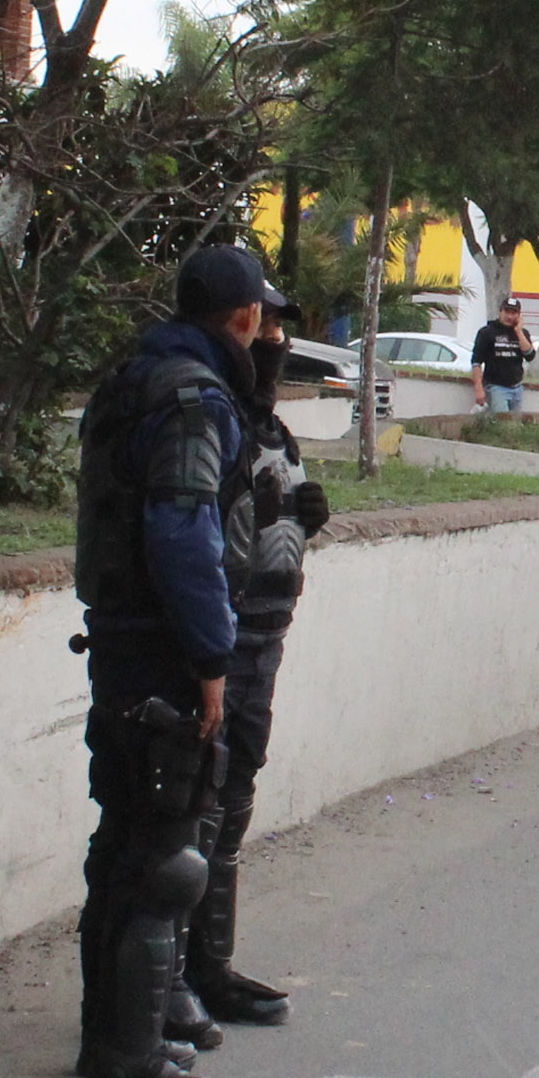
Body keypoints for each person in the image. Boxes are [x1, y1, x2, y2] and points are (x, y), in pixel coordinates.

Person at [71, 246, 272, 1078]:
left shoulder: (135, 378)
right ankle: (128, 1053)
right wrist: (209, 657)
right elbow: (183, 531)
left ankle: (113, 1038)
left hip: (120, 635)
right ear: (242, 318)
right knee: (162, 855)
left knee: (124, 847)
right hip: (161, 645)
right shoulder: (195, 399)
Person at [175, 286, 331, 1032]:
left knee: (234, 801)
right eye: (260, 324)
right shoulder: (207, 414)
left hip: (265, 632)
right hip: (219, 636)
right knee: (193, 805)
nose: (271, 338)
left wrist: (301, 529)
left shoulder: (271, 427)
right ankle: (170, 978)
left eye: (278, 327)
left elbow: (261, 532)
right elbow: (193, 534)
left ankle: (211, 965)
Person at [472, 296, 532, 415]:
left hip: (517, 387)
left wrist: (519, 331)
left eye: (514, 313)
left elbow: (530, 355)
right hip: (496, 387)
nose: (509, 316)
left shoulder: (522, 333)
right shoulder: (487, 332)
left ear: (519, 315)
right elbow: (476, 362)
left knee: (514, 424)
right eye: (507, 312)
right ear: (500, 311)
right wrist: (479, 389)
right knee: (502, 423)